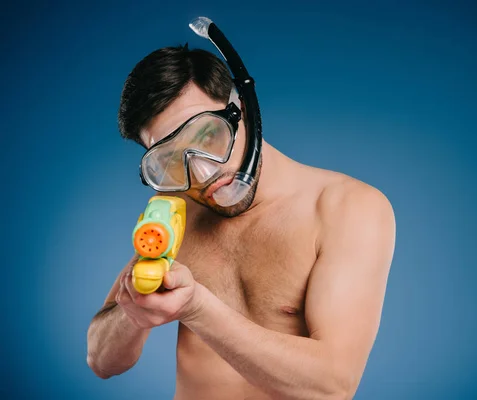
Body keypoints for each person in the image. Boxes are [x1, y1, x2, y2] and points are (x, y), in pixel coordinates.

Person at [86, 18, 396, 400]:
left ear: (243, 109)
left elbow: (332, 385)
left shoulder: (346, 209)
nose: (202, 173)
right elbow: (101, 360)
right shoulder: (174, 212)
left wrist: (197, 307)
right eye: (172, 159)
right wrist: (133, 313)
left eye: (208, 136)